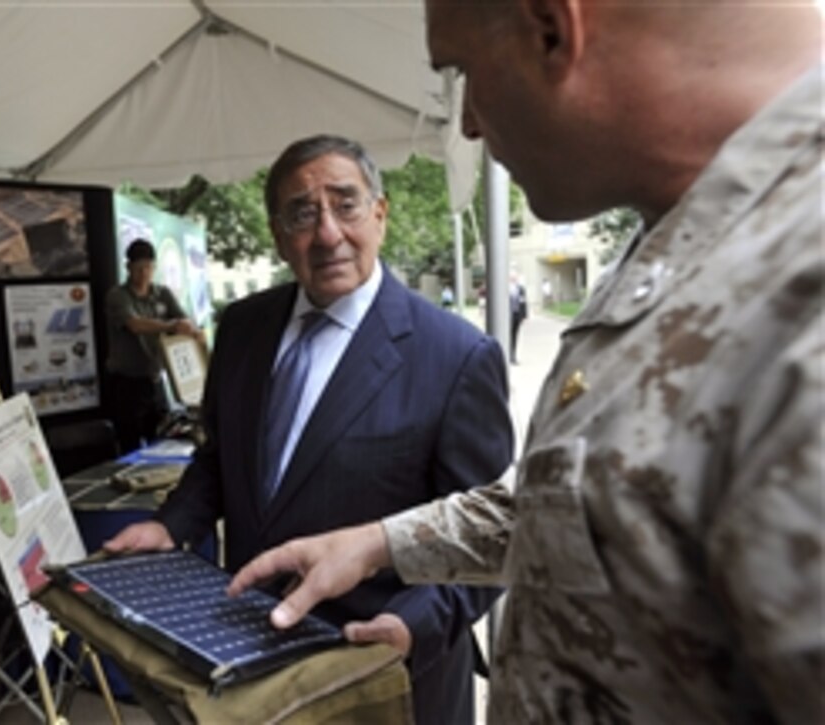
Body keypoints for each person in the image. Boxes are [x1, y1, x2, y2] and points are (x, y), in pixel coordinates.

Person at [229, 2, 824, 723]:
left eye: (464, 73)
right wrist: (380, 542)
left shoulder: (801, 289)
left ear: (551, 30)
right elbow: (590, 503)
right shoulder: (682, 239)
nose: (470, 123)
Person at [105, 135, 515, 725]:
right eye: (302, 213)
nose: (327, 233)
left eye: (345, 204)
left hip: (385, 679)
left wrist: (409, 624)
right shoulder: (242, 328)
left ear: (380, 212)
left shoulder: (456, 356)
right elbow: (221, 462)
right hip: (251, 664)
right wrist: (171, 526)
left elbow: (487, 535)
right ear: (277, 233)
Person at [104, 238, 203, 454]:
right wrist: (171, 324)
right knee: (130, 444)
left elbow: (185, 321)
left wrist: (193, 331)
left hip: (155, 379)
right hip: (126, 382)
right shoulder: (118, 296)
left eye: (148, 267)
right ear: (128, 267)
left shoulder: (162, 293)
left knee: (160, 441)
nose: (144, 274)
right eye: (139, 268)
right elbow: (135, 325)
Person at [508, 272, 527, 364]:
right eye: (512, 277)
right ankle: (508, 354)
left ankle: (513, 355)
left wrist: (524, 315)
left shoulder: (520, 289)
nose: (514, 278)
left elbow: (523, 302)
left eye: (515, 277)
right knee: (508, 335)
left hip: (517, 315)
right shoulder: (505, 288)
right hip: (508, 316)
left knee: (514, 335)